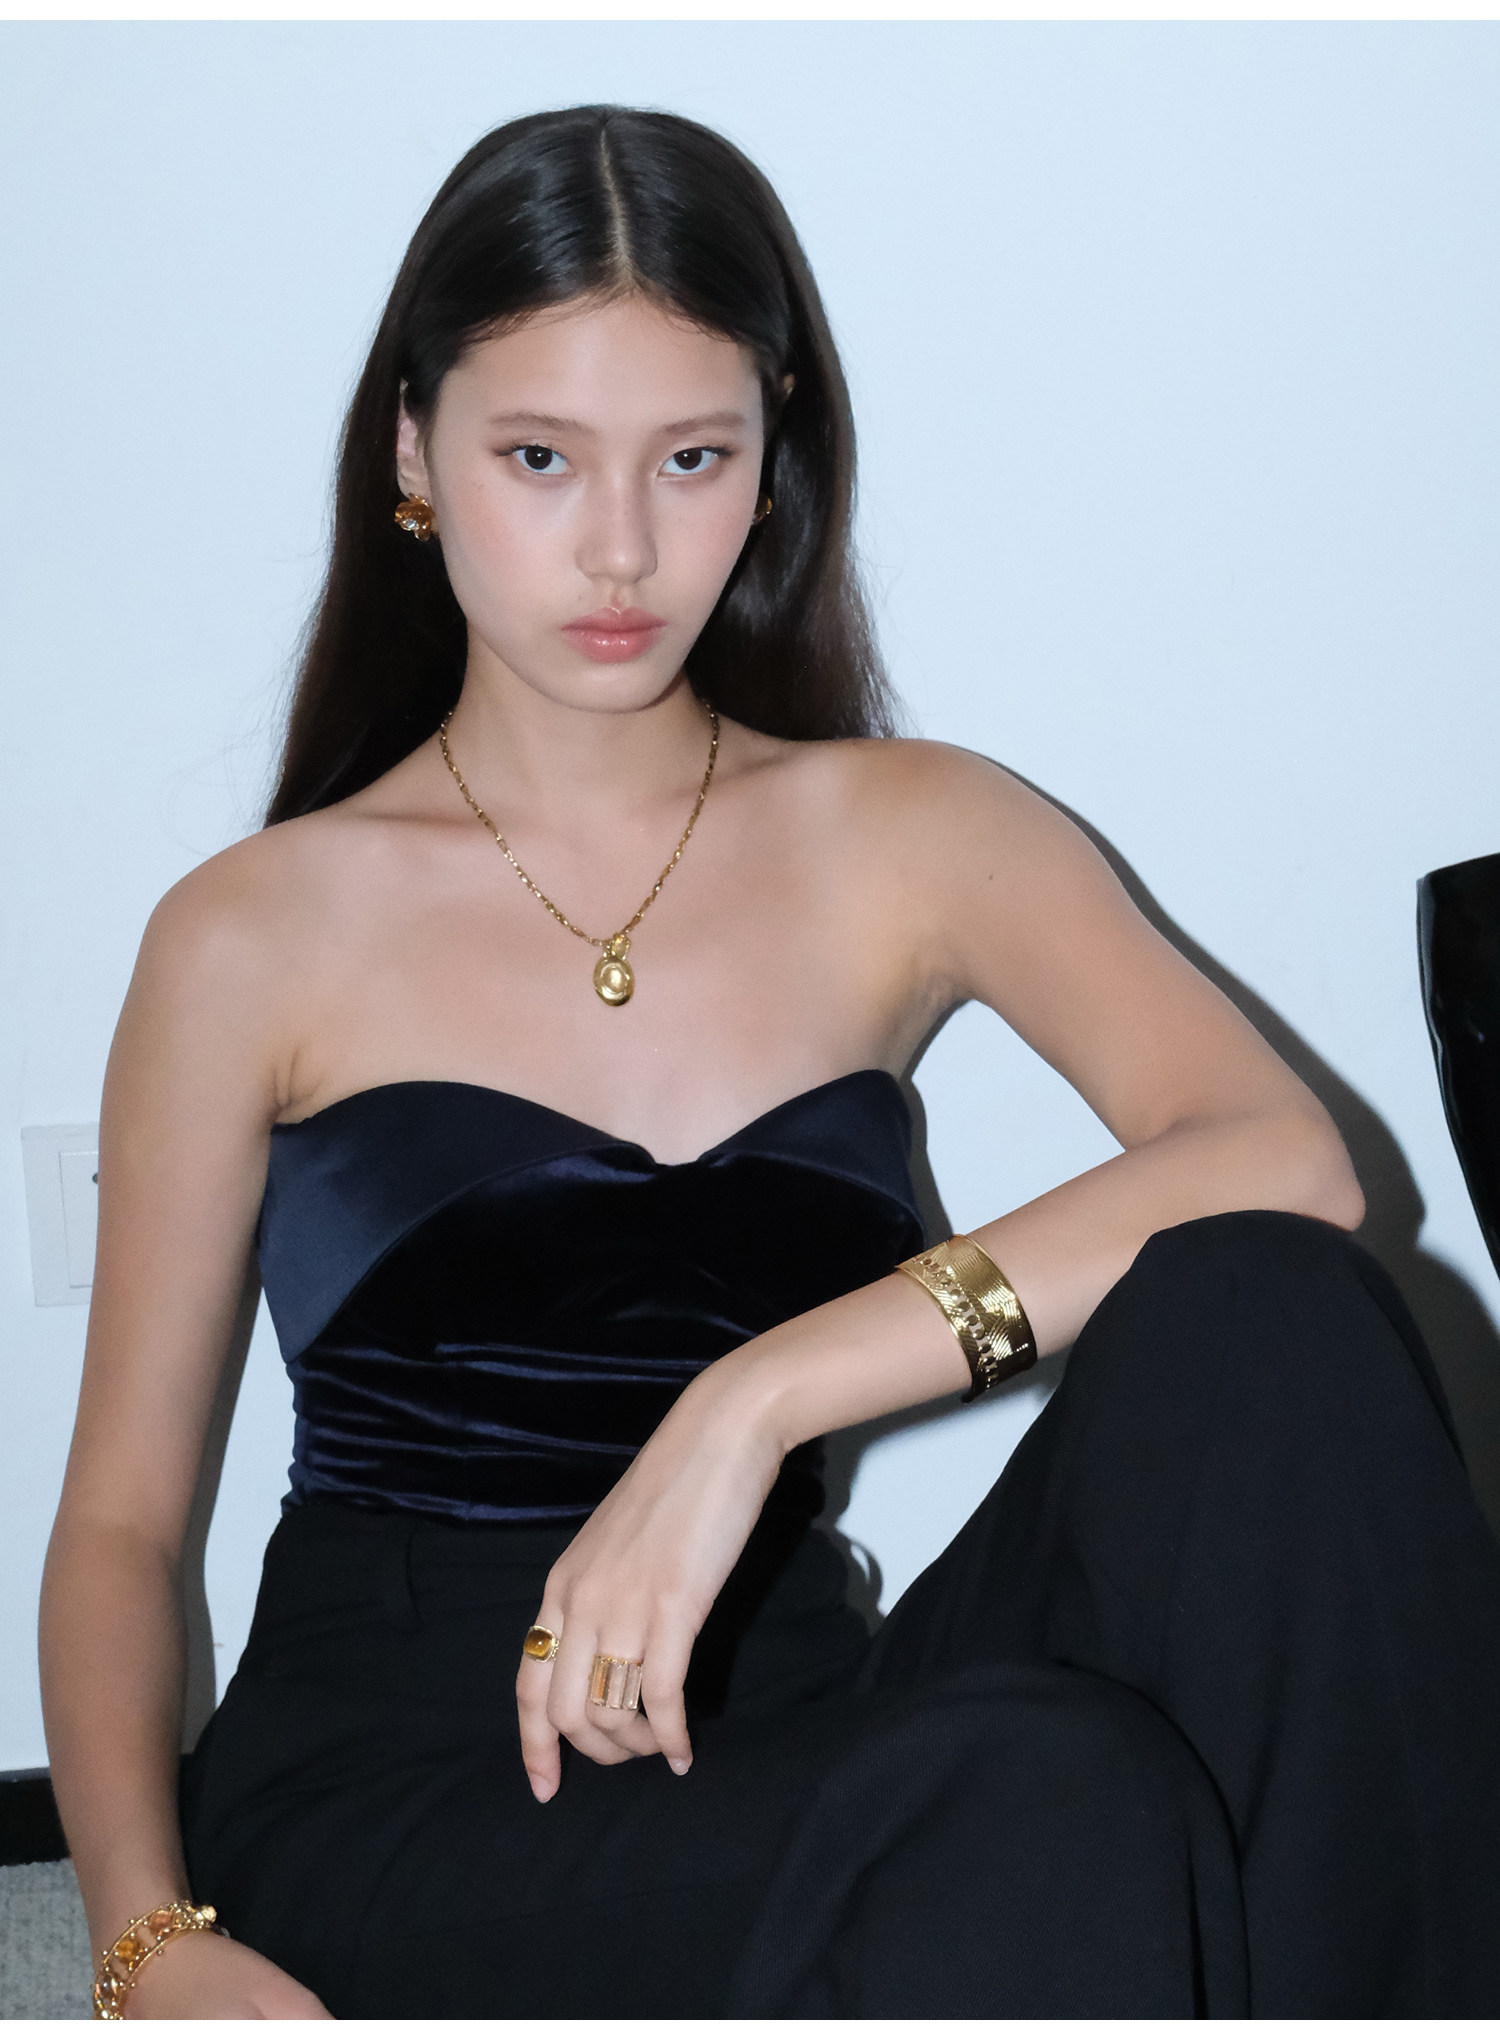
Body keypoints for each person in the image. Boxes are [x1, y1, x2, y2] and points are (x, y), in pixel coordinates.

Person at [39, 105, 1500, 2019]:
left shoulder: (911, 831)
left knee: (1271, 1315)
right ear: (412, 450)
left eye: (693, 457)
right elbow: (123, 1529)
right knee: (1053, 1796)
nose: (622, 546)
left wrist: (747, 1407)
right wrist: (142, 1940)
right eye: (540, 457)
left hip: (813, 1724)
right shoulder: (252, 932)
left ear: (771, 454)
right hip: (415, 1781)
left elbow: (1287, 1165)